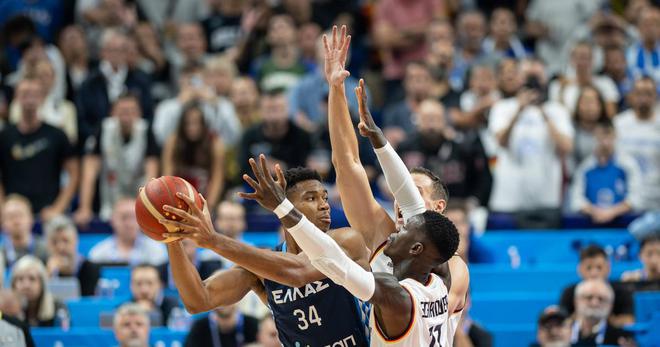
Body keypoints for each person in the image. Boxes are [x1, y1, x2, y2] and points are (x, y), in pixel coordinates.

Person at [324, 26, 470, 339]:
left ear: (438, 206)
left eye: (415, 193)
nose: (401, 202)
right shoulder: (383, 236)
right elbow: (347, 164)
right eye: (400, 193)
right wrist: (336, 90)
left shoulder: (451, 266)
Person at [241, 153, 459, 346]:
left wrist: (282, 207)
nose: (393, 232)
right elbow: (414, 207)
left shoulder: (394, 295)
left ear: (416, 248)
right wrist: (379, 143)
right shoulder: (440, 281)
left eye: (403, 232)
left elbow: (333, 260)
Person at [158, 164, 371, 346]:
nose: (324, 205)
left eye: (324, 197)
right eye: (311, 198)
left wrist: (213, 240)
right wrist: (172, 237)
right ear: (287, 206)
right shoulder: (264, 267)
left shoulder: (346, 240)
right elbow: (198, 300)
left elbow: (298, 271)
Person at [488, 58, 573, 224]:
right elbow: (501, 141)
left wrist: (544, 113)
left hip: (546, 198)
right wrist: (519, 110)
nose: (533, 83)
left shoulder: (557, 110)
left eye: (538, 77)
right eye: (528, 77)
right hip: (508, 199)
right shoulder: (502, 108)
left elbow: (566, 147)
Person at [74, 93, 160, 224]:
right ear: (113, 112)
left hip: (138, 200)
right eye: (122, 111)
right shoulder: (103, 129)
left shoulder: (146, 131)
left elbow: (151, 175)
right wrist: (85, 208)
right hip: (109, 202)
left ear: (139, 113)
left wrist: (147, 210)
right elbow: (89, 172)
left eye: (131, 111)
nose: (126, 116)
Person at [0, 77, 78, 219]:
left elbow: (73, 174)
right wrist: (3, 208)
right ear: (16, 97)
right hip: (14, 214)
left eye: (35, 94)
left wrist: (58, 208)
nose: (30, 99)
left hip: (48, 213)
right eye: (25, 94)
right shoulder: (4, 136)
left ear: (43, 97)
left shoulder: (57, 135)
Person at [570, 120, 641, 225]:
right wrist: (595, 212)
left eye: (608, 136)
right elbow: (576, 200)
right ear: (594, 137)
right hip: (591, 224)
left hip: (624, 224)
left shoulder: (628, 165)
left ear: (615, 136)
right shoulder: (585, 167)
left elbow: (636, 198)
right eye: (601, 136)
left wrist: (612, 212)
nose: (605, 142)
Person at [161, 102, 224, 209]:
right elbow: (167, 176)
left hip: (203, 197)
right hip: (178, 198)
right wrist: (170, 202)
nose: (192, 127)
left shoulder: (214, 143)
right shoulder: (173, 141)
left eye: (196, 123)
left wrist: (209, 207)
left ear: (204, 124)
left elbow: (218, 178)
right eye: (188, 123)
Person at [239, 89, 313, 176]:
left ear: (288, 109)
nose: (274, 115)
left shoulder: (302, 136)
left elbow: (307, 170)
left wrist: (283, 169)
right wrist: (260, 172)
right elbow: (242, 170)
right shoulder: (249, 136)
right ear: (260, 111)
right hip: (258, 184)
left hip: (293, 185)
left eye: (278, 109)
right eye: (269, 109)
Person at [614, 77, 660, 211]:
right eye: (639, 93)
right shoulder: (618, 124)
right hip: (624, 200)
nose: (644, 98)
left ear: (655, 96)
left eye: (648, 93)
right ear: (631, 96)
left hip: (656, 200)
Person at [558, 245, 634, 326]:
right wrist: (582, 308)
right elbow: (563, 323)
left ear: (608, 268)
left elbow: (629, 321)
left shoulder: (621, 291)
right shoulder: (569, 292)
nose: (594, 273)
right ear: (580, 269)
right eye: (589, 268)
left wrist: (604, 309)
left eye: (599, 267)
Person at [88, 197, 167, 266]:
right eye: (124, 218)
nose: (129, 224)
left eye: (134, 217)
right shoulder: (98, 253)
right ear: (112, 220)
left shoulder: (156, 249)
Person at [44, 215, 100, 296]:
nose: (60, 247)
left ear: (75, 241)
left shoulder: (90, 268)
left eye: (65, 240)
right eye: (54, 242)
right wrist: (48, 274)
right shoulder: (43, 267)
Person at [570, 279, 635, 345]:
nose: (594, 303)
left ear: (611, 305)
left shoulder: (623, 339)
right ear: (576, 301)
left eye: (601, 299)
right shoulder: (561, 331)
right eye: (589, 297)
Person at [10, 255, 68, 327]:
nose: (26, 285)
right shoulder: (6, 309)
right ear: (13, 285)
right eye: (20, 279)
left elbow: (66, 335)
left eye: (32, 279)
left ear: (42, 284)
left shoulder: (57, 307)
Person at [1, 195, 48, 267]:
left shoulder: (46, 249)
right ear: (3, 223)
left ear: (31, 219)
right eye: (11, 217)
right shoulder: (1, 252)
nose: (16, 221)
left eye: (20, 215)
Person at [184, 304, 258, 347]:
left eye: (230, 293)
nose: (224, 299)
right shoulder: (199, 327)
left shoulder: (253, 324)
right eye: (218, 292)